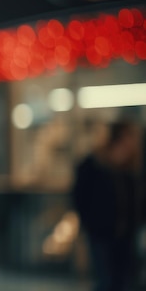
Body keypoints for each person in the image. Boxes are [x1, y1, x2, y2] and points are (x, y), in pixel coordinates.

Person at [71, 119, 144, 291]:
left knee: (124, 280)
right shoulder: (94, 164)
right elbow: (80, 196)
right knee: (107, 280)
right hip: (101, 233)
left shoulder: (131, 167)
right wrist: (88, 223)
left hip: (127, 233)